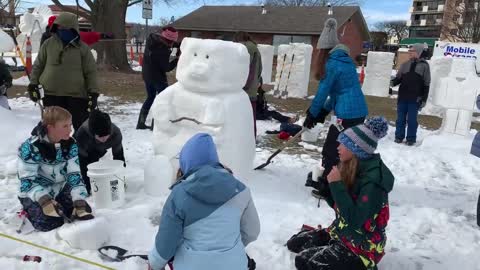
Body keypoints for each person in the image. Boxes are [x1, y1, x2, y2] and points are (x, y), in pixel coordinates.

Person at [287, 116, 394, 270]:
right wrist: (325, 189)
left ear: (355, 149)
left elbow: (355, 219)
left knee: (304, 261)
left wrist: (336, 185)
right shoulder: (352, 167)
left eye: (343, 144)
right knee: (295, 243)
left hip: (362, 246)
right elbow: (343, 206)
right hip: (342, 232)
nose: (338, 147)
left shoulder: (373, 183)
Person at [148, 133, 260, 270]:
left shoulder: (179, 194)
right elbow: (252, 231)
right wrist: (229, 249)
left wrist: (154, 264)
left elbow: (167, 241)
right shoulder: (241, 190)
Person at [303, 18, 368, 199]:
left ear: (325, 51)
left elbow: (323, 92)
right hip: (358, 112)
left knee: (332, 150)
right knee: (347, 150)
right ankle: (345, 182)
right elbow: (339, 92)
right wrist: (323, 111)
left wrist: (312, 113)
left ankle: (330, 190)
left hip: (346, 115)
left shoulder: (331, 64)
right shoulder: (346, 62)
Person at [17, 106, 93, 232]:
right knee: (49, 223)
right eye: (65, 126)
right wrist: (44, 200)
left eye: (70, 125)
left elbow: (74, 174)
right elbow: (27, 180)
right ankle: (28, 208)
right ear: (50, 128)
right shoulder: (30, 148)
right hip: (35, 192)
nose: (70, 129)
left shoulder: (70, 144)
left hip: (60, 188)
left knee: (82, 213)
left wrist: (78, 198)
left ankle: (59, 202)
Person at [28, 12, 99, 131]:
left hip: (76, 95)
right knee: (52, 127)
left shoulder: (83, 48)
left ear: (73, 29)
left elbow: (90, 72)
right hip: (51, 94)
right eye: (59, 27)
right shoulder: (48, 44)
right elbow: (38, 65)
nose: (61, 30)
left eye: (65, 28)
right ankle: (50, 148)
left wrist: (93, 93)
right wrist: (33, 84)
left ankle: (81, 149)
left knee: (81, 128)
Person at [74, 110, 125, 195]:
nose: (104, 139)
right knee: (91, 163)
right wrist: (87, 185)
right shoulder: (82, 133)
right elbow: (82, 162)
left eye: (106, 136)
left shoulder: (116, 133)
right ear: (93, 133)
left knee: (117, 160)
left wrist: (121, 179)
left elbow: (119, 157)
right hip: (89, 148)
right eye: (100, 137)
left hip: (100, 147)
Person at [138, 26, 180, 130]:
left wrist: (177, 45)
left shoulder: (151, 39)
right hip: (158, 79)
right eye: (172, 41)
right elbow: (167, 68)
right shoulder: (163, 50)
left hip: (147, 75)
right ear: (168, 40)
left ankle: (141, 123)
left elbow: (167, 43)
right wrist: (177, 59)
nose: (172, 43)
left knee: (150, 97)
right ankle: (155, 125)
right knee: (162, 100)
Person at [391, 43, 431, 146]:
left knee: (412, 121)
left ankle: (411, 139)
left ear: (418, 52)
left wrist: (424, 99)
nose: (409, 53)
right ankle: (399, 137)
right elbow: (398, 79)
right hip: (403, 97)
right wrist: (391, 83)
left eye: (412, 51)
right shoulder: (405, 64)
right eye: (409, 51)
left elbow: (427, 84)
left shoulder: (425, 66)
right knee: (400, 119)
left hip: (415, 99)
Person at [234, 31, 263, 137]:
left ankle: (247, 140)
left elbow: (244, 68)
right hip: (252, 88)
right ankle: (251, 139)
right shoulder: (254, 48)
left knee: (244, 118)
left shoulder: (246, 48)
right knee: (251, 118)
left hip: (246, 89)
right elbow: (260, 69)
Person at [41, 15, 114, 47]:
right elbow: (42, 55)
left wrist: (102, 35)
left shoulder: (67, 34)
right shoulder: (46, 37)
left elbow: (85, 36)